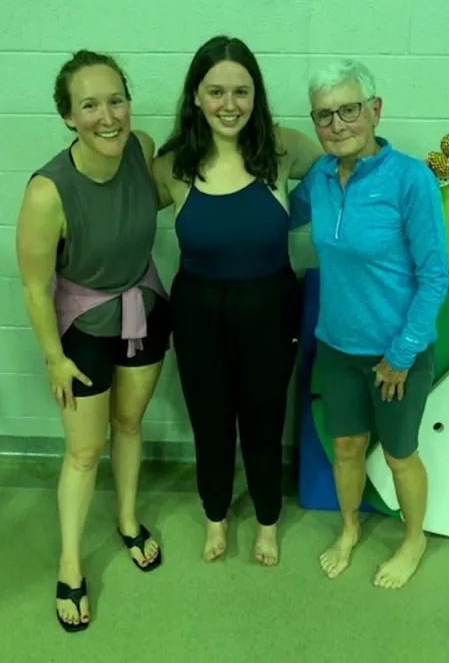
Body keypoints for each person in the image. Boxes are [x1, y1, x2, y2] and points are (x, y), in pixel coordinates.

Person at [16, 50, 170, 632]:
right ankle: (71, 563)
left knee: (129, 426)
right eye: (89, 105)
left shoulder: (142, 147)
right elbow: (35, 287)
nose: (107, 116)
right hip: (82, 329)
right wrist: (53, 359)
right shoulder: (47, 191)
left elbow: (153, 196)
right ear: (67, 117)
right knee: (84, 451)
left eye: (116, 100)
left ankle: (128, 521)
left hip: (145, 308)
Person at [152, 36, 322, 566]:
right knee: (211, 418)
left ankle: (268, 521)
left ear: (256, 95)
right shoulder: (174, 165)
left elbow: (341, 166)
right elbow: (119, 206)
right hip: (199, 308)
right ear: (197, 97)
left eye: (241, 91)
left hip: (270, 304)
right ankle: (216, 516)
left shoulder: (282, 148)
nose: (230, 104)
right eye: (217, 91)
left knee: (264, 418)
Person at [289, 59, 449, 589]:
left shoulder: (410, 180)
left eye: (349, 110)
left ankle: (413, 539)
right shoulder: (318, 178)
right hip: (336, 347)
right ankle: (350, 528)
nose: (337, 125)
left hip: (397, 355)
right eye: (324, 116)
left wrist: (401, 355)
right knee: (346, 447)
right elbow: (278, 213)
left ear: (375, 111)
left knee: (401, 456)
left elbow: (433, 277)